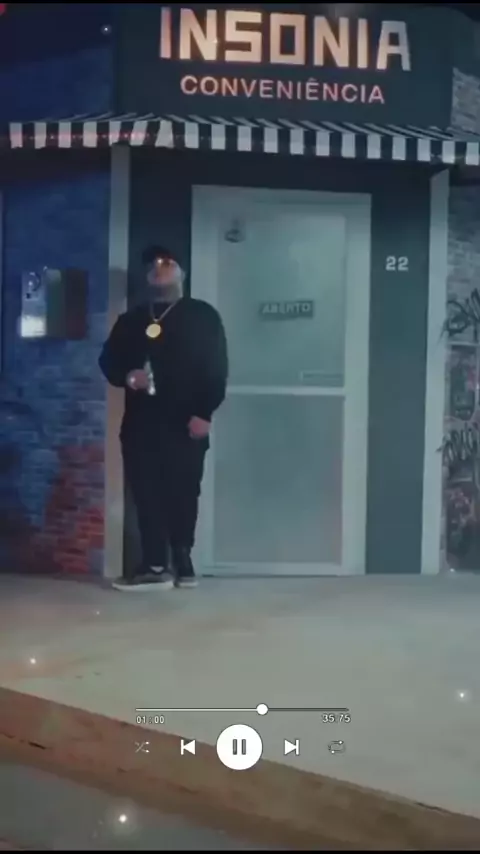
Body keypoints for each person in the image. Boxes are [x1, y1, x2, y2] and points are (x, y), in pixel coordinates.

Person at [99, 245, 228, 591]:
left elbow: (217, 368)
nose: (160, 268)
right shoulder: (131, 320)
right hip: (141, 424)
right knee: (147, 493)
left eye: (168, 263)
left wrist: (204, 413)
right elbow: (108, 362)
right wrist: (129, 377)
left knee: (184, 491)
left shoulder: (202, 316)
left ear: (182, 272)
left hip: (186, 423)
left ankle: (182, 560)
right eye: (154, 264)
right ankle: (155, 564)